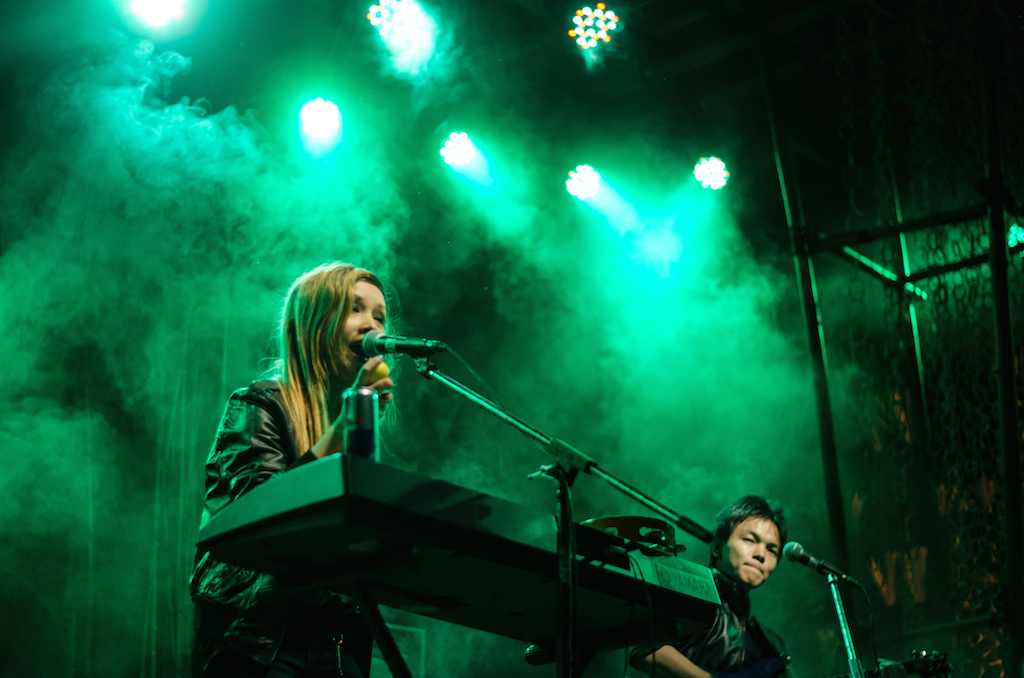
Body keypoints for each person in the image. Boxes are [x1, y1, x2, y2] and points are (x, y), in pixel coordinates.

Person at [190, 262, 396, 678]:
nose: (371, 326)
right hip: (259, 638)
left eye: (379, 316)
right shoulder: (256, 406)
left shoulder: (355, 435)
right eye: (354, 308)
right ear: (313, 324)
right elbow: (266, 514)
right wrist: (349, 421)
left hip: (337, 645)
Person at [631, 495, 792, 678]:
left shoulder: (769, 642)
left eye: (772, 550)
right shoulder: (690, 595)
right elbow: (646, 648)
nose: (761, 554)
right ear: (717, 547)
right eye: (750, 540)